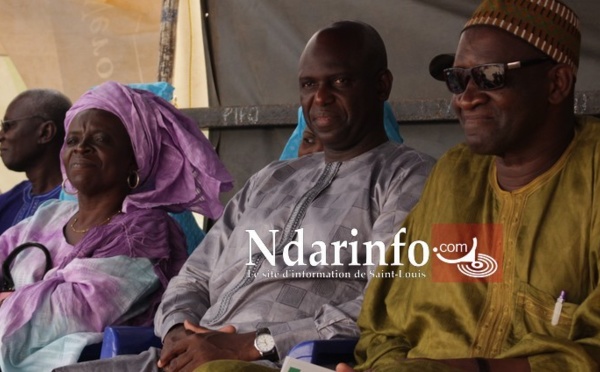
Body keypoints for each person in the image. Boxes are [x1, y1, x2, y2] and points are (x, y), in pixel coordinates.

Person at [56, 20, 434, 372]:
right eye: (308, 84)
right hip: (183, 358)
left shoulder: (409, 179)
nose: (320, 97)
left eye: (340, 82)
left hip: (278, 362)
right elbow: (194, 277)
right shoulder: (273, 178)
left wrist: (252, 345)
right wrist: (176, 331)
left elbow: (383, 303)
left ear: (381, 85)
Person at [339, 1, 600, 371]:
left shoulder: (593, 176)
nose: (465, 98)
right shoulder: (455, 176)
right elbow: (385, 323)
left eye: (491, 76)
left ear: (556, 84)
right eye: (457, 79)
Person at [0, 81, 233, 371]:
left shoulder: (144, 234)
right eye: (72, 140)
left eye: (100, 140)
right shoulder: (50, 216)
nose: (81, 148)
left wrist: (10, 298)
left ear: (135, 159)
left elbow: (63, 316)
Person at [0, 89, 72, 235]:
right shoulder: (6, 202)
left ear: (46, 132)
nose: (1, 136)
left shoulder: (81, 204)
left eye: (8, 126)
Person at [280, 102, 403, 160]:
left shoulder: (399, 192)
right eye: (309, 140)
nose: (317, 151)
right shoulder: (278, 194)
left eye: (338, 141)